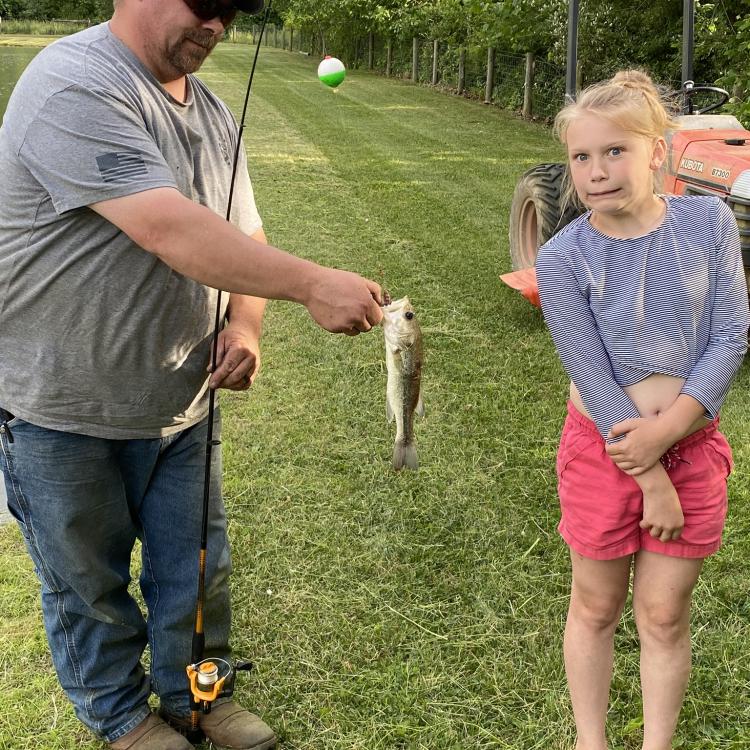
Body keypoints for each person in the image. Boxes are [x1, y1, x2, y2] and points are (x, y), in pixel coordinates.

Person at [0, 1, 384, 749]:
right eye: (204, 3)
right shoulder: (74, 85)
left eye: (233, 9)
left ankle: (197, 700)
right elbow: (169, 227)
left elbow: (242, 232)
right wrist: (309, 284)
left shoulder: (210, 109)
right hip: (59, 409)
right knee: (91, 590)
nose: (218, 23)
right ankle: (121, 718)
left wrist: (245, 324)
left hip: (182, 403)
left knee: (198, 579)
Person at [535, 70, 748, 750]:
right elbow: (590, 372)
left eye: (615, 152)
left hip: (689, 449)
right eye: (582, 157)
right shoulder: (562, 257)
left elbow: (729, 334)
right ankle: (589, 742)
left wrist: (669, 435)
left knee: (663, 614)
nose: (597, 172)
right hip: (605, 453)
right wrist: (647, 470)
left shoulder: (708, 221)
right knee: (595, 606)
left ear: (658, 151)